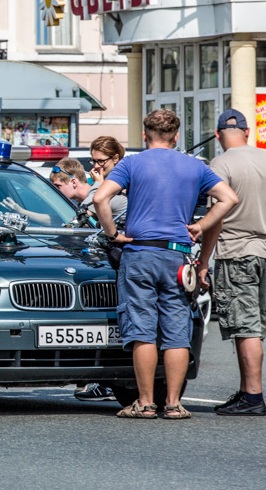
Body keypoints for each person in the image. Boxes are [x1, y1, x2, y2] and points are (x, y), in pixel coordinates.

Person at [94, 109, 238, 420]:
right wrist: (201, 226)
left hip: (140, 253)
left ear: (145, 136)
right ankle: (174, 403)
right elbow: (229, 198)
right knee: (176, 331)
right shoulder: (194, 166)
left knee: (143, 330)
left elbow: (100, 198)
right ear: (175, 138)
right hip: (177, 256)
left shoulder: (132, 163)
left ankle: (145, 402)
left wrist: (113, 234)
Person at [196, 109, 266, 416]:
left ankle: (253, 397)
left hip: (237, 251)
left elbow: (215, 219)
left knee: (246, 328)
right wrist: (264, 197)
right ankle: (246, 392)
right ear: (247, 132)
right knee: (254, 325)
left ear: (218, 136)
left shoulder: (220, 164)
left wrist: (204, 262)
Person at [74, 136, 128, 404]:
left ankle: (109, 381)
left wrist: (97, 184)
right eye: (92, 161)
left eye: (100, 161)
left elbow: (93, 205)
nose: (95, 166)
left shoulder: (120, 183)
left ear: (115, 159)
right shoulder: (111, 181)